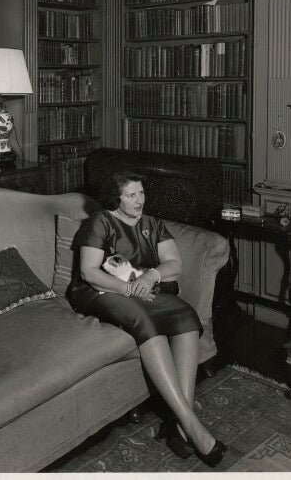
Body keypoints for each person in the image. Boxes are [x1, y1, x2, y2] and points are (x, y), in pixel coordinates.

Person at [68, 169, 227, 467]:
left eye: (141, 193)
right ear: (116, 198)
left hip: (140, 287)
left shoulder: (153, 224)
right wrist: (130, 289)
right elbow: (89, 272)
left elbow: (175, 265)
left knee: (185, 315)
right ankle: (192, 426)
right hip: (100, 291)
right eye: (131, 195)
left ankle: (179, 425)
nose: (139, 200)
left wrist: (152, 275)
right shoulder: (101, 221)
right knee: (144, 319)